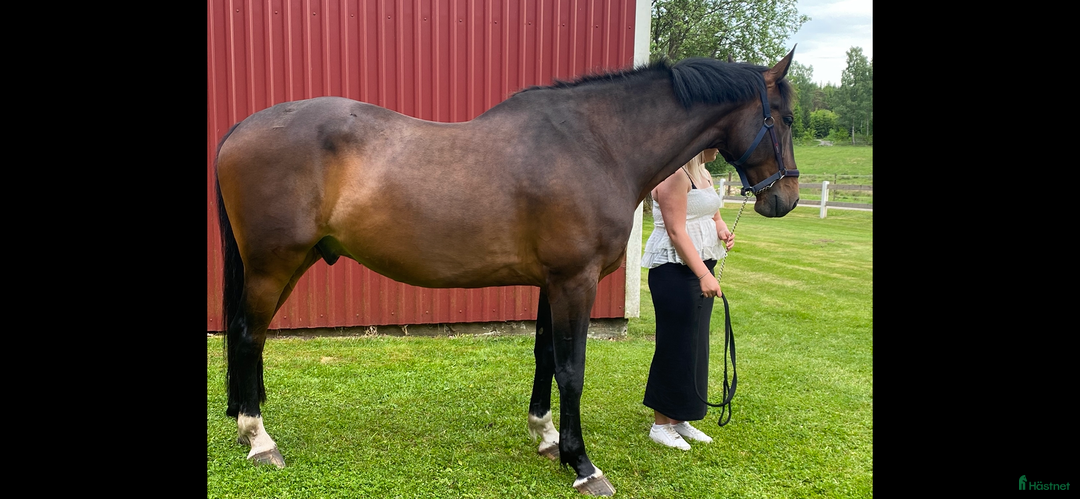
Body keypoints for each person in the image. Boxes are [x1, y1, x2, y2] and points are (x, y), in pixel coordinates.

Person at [640, 147, 735, 450]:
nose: (719, 147)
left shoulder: (703, 172)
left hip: (701, 265)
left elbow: (712, 212)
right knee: (674, 345)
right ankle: (660, 425)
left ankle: (679, 417)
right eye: (715, 141)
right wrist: (703, 275)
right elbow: (676, 232)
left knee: (694, 345)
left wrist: (721, 228)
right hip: (674, 270)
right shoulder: (675, 175)